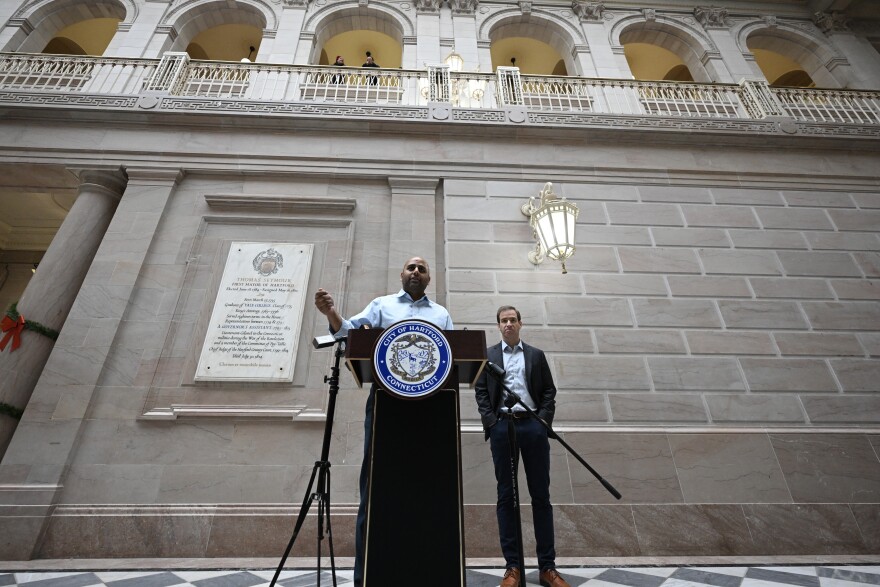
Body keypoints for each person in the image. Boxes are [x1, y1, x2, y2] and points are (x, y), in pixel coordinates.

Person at [314, 256, 453, 587]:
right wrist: (331, 313)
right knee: (377, 486)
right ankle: (371, 574)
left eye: (422, 269)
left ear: (429, 279)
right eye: (411, 268)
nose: (416, 272)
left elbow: (450, 355)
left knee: (426, 488)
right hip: (386, 406)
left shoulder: (441, 314)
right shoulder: (382, 305)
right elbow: (348, 334)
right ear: (401, 275)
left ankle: (425, 569)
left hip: (429, 411)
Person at [474, 306, 571, 587]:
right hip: (503, 427)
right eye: (503, 321)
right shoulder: (488, 356)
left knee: (541, 496)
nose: (508, 324)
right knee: (506, 497)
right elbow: (481, 392)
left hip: (532, 426)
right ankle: (512, 568)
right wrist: (491, 422)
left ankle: (547, 568)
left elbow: (549, 391)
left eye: (512, 320)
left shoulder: (536, 355)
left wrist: (543, 422)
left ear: (520, 323)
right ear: (498, 326)